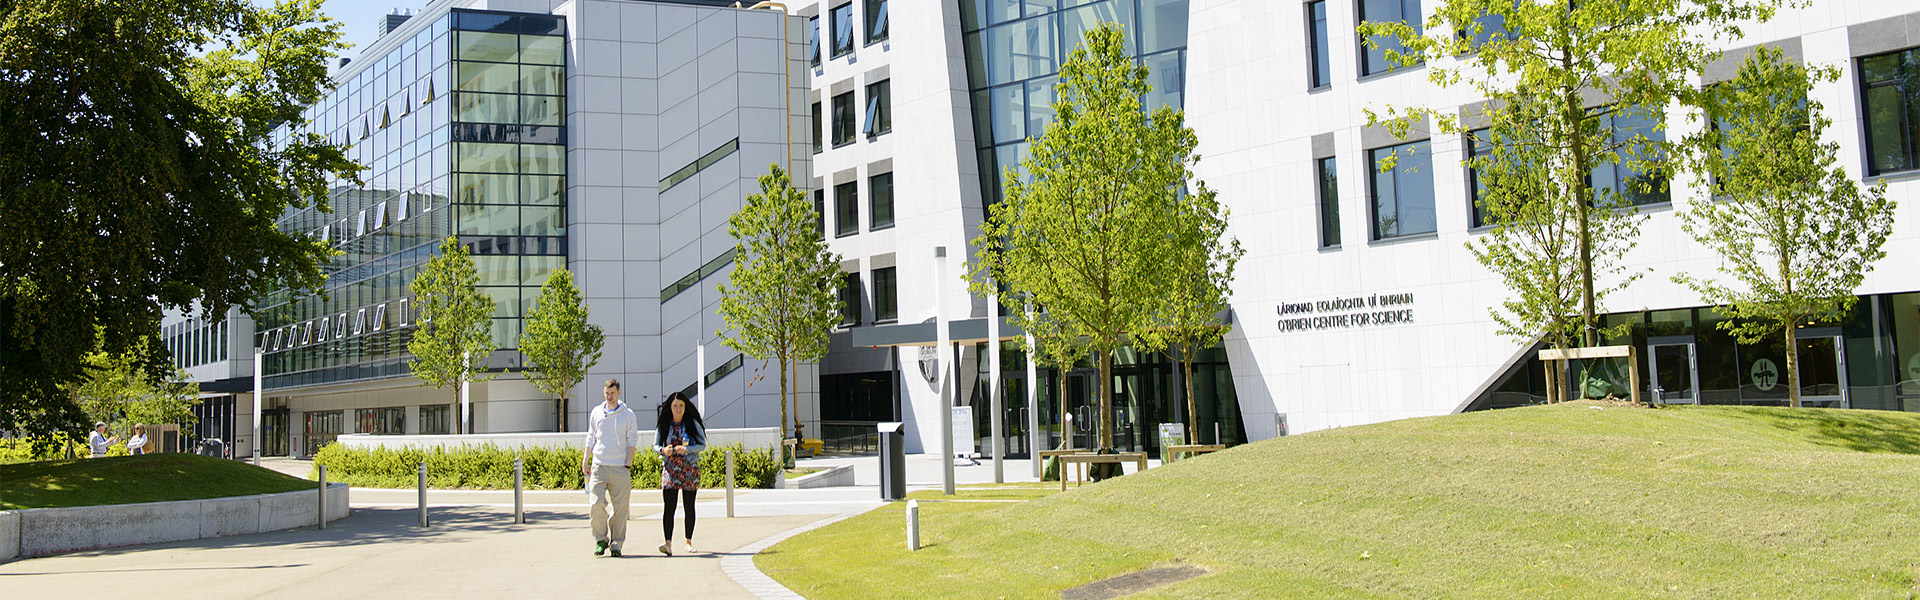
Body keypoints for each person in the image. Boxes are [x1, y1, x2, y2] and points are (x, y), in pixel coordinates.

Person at [582, 379, 640, 557]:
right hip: (599, 465)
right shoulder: (597, 413)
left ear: (619, 393)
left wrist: (627, 465)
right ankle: (601, 540)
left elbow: (632, 441)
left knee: (620, 509)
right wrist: (586, 460)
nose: (609, 396)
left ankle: (617, 544)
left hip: (619, 467)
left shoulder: (628, 415)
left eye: (612, 393)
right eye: (607, 393)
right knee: (596, 503)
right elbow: (591, 437)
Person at [654, 391, 705, 556]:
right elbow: (655, 445)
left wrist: (687, 449)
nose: (678, 409)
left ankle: (688, 541)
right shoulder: (664, 425)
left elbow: (702, 444)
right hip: (670, 469)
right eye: (675, 406)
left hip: (689, 468)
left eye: (681, 406)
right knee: (669, 506)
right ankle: (668, 542)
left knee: (689, 506)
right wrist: (663, 450)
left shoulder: (692, 423)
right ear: (670, 407)